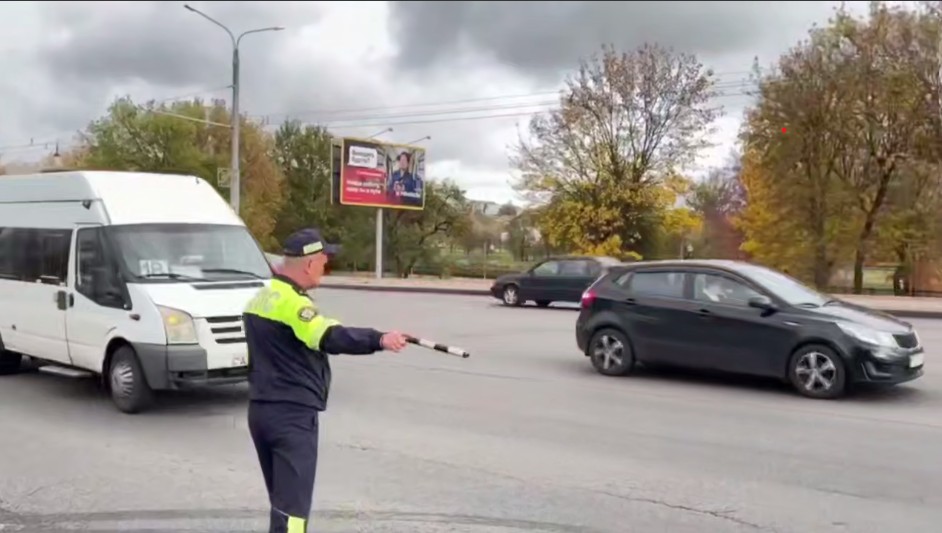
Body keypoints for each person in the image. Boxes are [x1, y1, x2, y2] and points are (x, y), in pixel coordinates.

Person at [243, 227, 408, 533]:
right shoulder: (294, 304)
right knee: (293, 512)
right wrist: (379, 339)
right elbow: (328, 336)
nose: (326, 267)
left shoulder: (262, 297)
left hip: (261, 410)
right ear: (308, 264)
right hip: (292, 416)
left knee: (281, 504)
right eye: (323, 260)